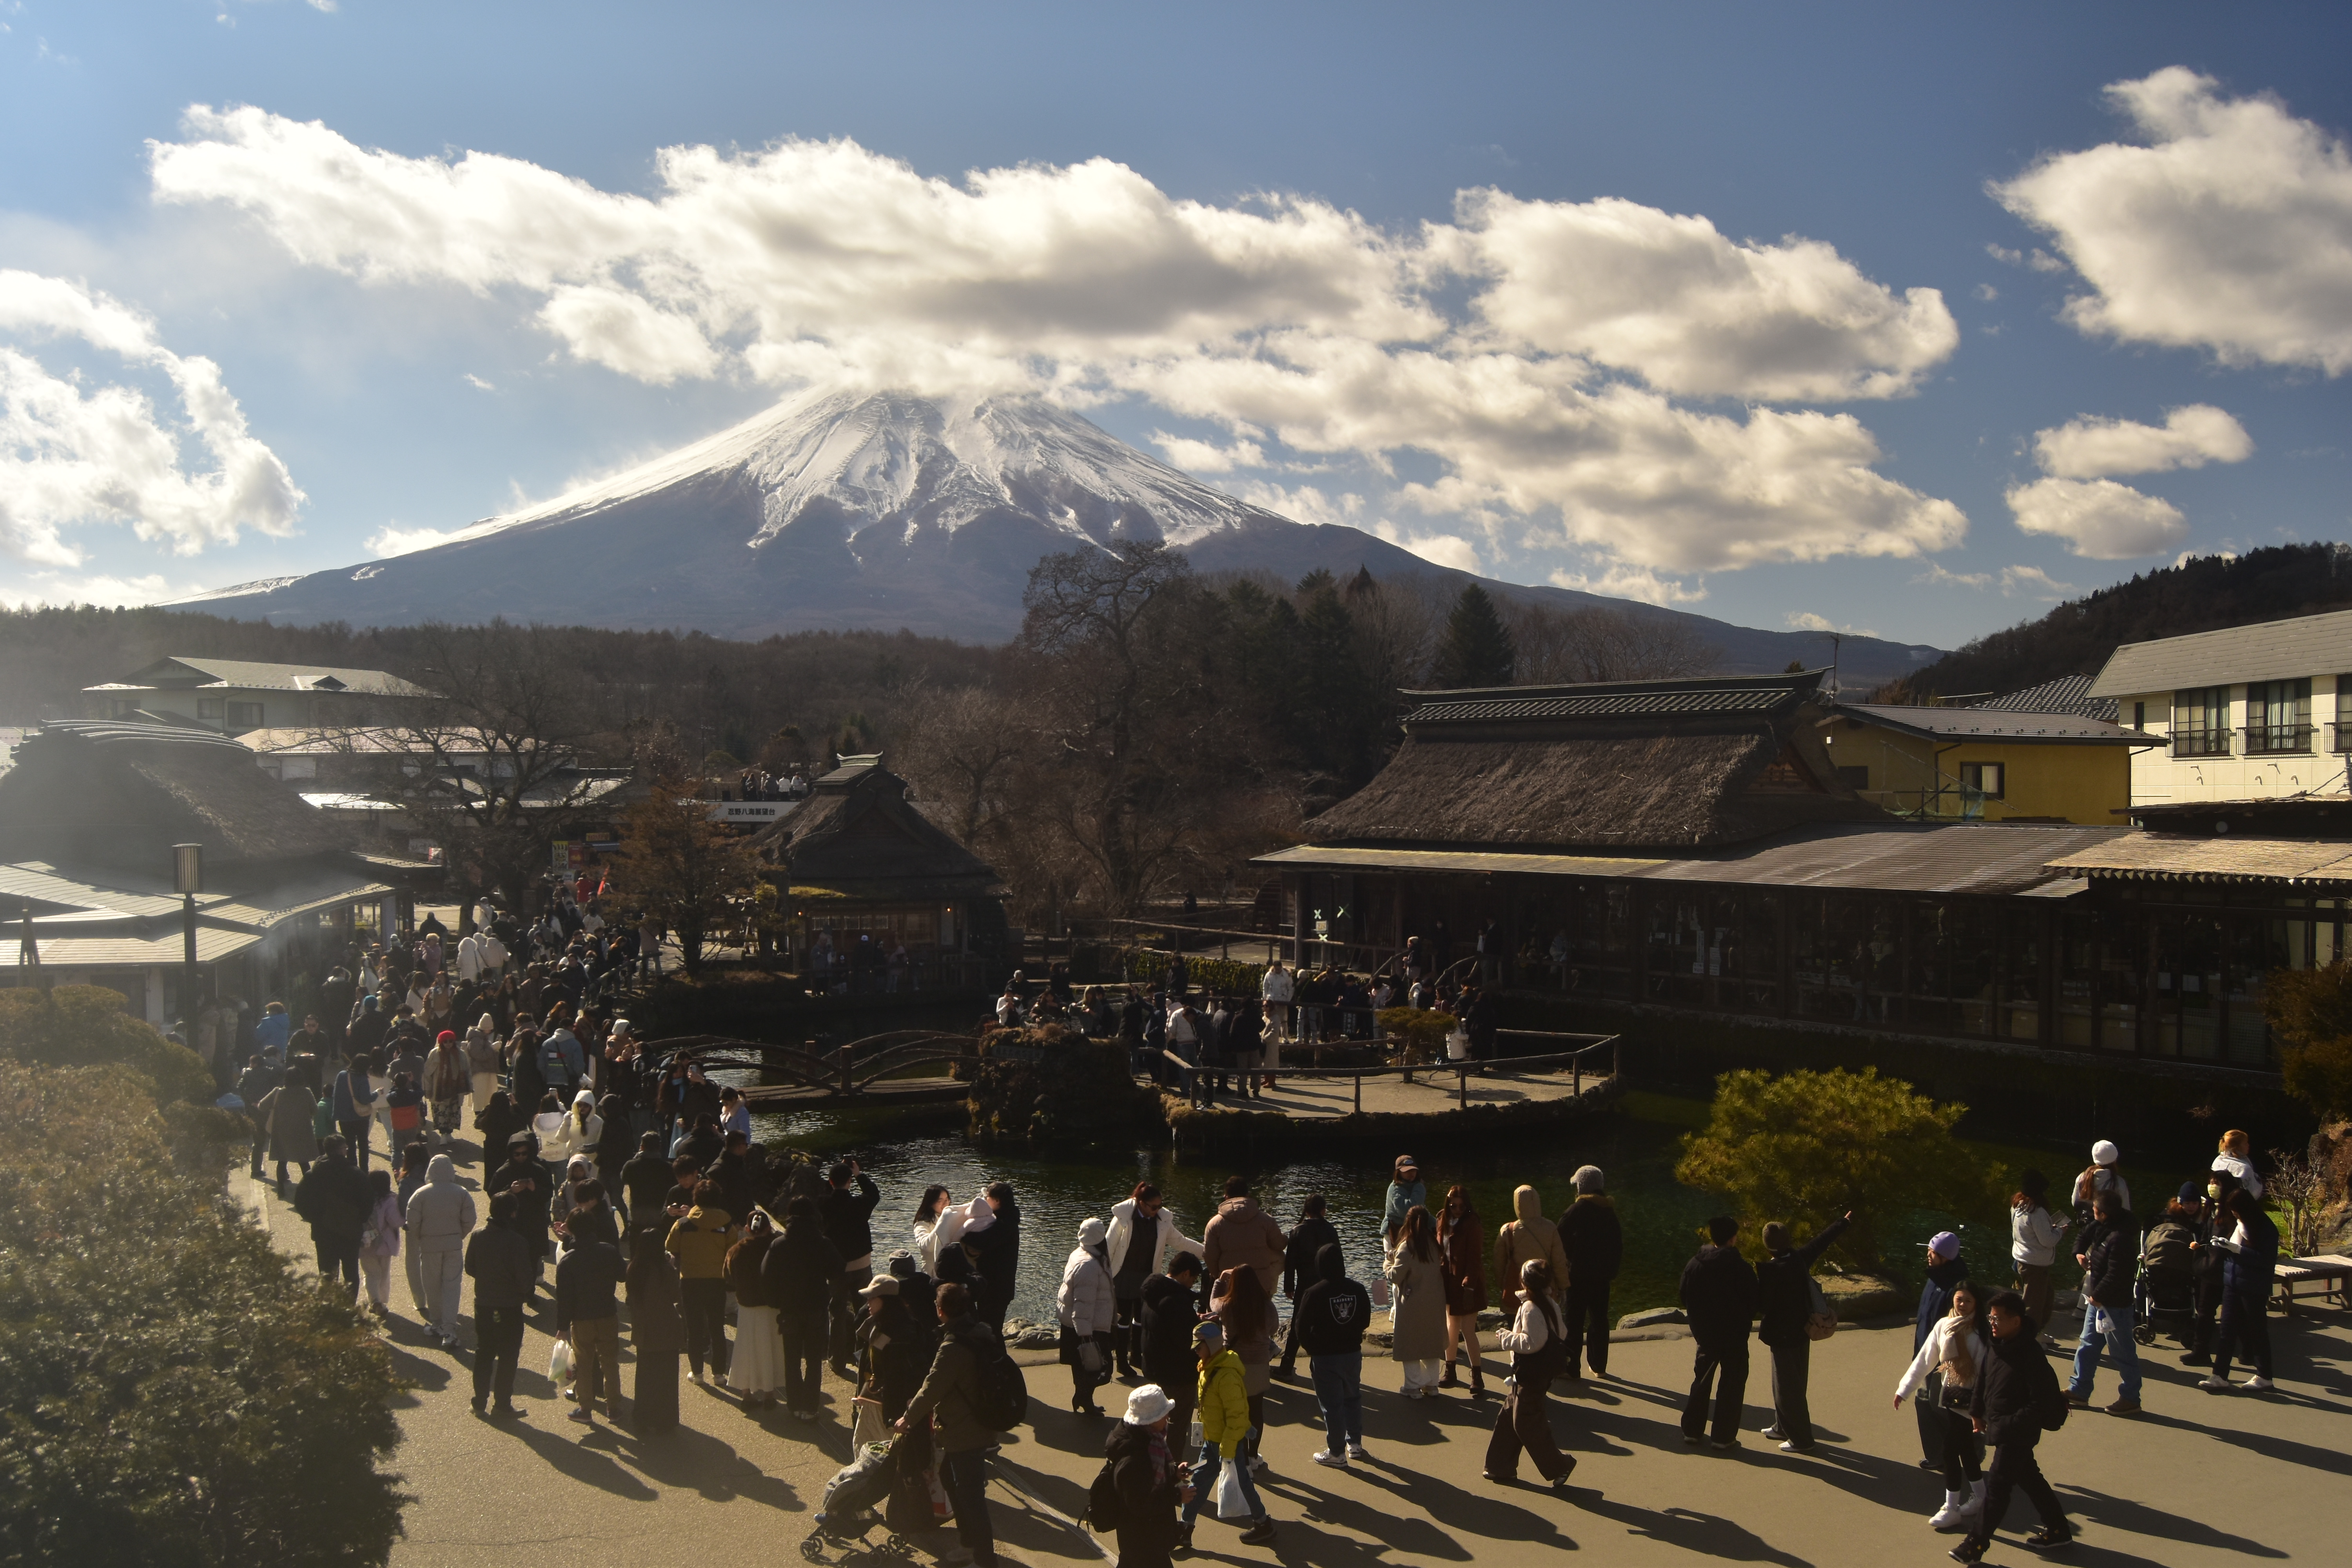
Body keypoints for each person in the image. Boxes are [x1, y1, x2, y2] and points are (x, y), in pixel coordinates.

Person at [1951, 1290, 2073, 1562]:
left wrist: (2007, 1425)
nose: (1992, 1324)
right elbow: (1984, 1376)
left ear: (2016, 1321)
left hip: (2017, 1432)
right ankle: (2059, 1529)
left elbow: (2040, 1404)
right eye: (1990, 1318)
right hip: (2001, 1425)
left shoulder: (2031, 1356)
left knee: (1997, 1487)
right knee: (2029, 1477)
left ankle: (1975, 1545)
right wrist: (1976, 1410)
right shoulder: (1999, 1345)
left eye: (1997, 1319)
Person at [897, 1281, 1005, 1568]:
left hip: (965, 1429)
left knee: (972, 1498)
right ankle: (970, 1544)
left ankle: (983, 1559)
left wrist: (908, 1418)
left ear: (941, 1311)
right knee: (952, 1481)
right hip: (980, 1422)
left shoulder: (953, 1347)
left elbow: (932, 1389)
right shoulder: (978, 1333)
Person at [1755, 1209, 1853, 1453]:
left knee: (1788, 1387)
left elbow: (1762, 1307)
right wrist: (1842, 1223)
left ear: (1767, 1247)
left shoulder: (1771, 1271)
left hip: (1782, 1335)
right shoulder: (1799, 1259)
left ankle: (1802, 1440)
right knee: (1791, 1382)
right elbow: (1822, 1240)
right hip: (1802, 1329)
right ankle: (1782, 1427)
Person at [1897, 1279, 1991, 1531]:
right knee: (1965, 1451)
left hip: (1974, 1403)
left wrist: (1981, 1408)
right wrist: (1904, 1390)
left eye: (1968, 1301)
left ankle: (1951, 1508)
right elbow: (1925, 1359)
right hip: (1953, 1399)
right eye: (1959, 1299)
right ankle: (1981, 1497)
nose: (1962, 1305)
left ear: (1977, 1304)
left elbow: (1989, 1371)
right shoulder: (1945, 1326)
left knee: (1951, 1451)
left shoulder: (1984, 1331)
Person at [1175, 1321, 1277, 1552]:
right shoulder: (1209, 1367)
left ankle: (1263, 1523)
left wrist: (1229, 1450)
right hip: (1214, 1440)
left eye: (1198, 1347)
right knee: (1199, 1482)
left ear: (1211, 1346)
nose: (1195, 1352)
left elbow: (1237, 1415)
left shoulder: (1226, 1375)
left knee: (1241, 1483)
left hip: (1226, 1444)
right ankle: (1186, 1527)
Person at [1485, 1259, 1576, 1489]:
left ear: (1524, 1282)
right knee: (1509, 1417)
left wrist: (1507, 1338)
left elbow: (1532, 1343)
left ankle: (1560, 1465)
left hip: (1531, 1374)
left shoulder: (1531, 1308)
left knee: (1526, 1422)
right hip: (1536, 1373)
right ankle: (1499, 1466)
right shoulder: (1549, 1303)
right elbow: (1562, 1332)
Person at [1109, 1183, 1203, 1380]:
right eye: (1154, 1207)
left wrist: (1207, 1252)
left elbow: (1180, 1241)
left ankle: (1136, 1356)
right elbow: (1109, 1247)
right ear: (1141, 1204)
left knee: (1141, 1319)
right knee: (1123, 1320)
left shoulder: (1162, 1221)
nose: (1157, 1210)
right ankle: (1122, 1362)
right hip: (1123, 1276)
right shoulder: (1123, 1218)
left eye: (1160, 1206)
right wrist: (1103, 1274)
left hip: (1147, 1277)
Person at [1679, 1214, 1757, 1448]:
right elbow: (1754, 1301)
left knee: (1701, 1381)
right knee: (1732, 1385)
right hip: (1734, 1335)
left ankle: (1692, 1430)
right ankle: (1723, 1436)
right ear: (1734, 1239)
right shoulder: (1742, 1268)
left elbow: (1685, 1294)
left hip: (1706, 1333)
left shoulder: (1696, 1264)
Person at [1292, 1241, 1371, 1467]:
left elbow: (1300, 1327)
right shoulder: (1357, 1289)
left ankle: (1336, 1453)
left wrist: (1313, 1349)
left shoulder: (1314, 1292)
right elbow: (1365, 1320)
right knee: (1353, 1397)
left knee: (1332, 1405)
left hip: (1325, 1357)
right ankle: (1355, 1444)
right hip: (1352, 1353)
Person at [766, 1193, 844, 1421]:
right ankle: (811, 1407)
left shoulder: (779, 1245)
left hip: (789, 1309)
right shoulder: (822, 1243)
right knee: (813, 1360)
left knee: (791, 1359)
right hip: (816, 1308)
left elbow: (766, 1275)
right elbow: (838, 1269)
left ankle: (794, 1405)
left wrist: (776, 1301)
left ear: (789, 1216)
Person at [2066, 1191, 2142, 1415]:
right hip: (2098, 1302)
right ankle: (2079, 1390)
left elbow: (2116, 1275)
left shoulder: (2121, 1238)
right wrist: (2078, 1253)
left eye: (2095, 1211)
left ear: (2105, 1213)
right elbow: (2084, 1235)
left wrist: (2097, 1296)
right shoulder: (2102, 1224)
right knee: (2087, 1345)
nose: (2092, 1213)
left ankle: (2131, 1398)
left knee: (2123, 1353)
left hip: (2115, 1306)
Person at [2200, 1185, 2279, 1392]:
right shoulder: (2240, 1224)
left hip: (2253, 1286)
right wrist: (2224, 1247)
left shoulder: (2265, 1227)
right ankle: (2219, 1375)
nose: (2235, 1215)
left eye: (2237, 1211)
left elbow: (2265, 1259)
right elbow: (2234, 1251)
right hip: (2233, 1283)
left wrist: (2237, 1249)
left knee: (2257, 1330)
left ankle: (2265, 1375)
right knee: (2227, 1330)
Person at [554, 1206, 626, 1428]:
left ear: (572, 1230)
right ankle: (614, 1408)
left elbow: (564, 1298)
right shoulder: (608, 1250)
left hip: (582, 1318)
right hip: (607, 1313)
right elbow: (623, 1276)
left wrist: (562, 1326)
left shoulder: (568, 1261)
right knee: (610, 1362)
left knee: (584, 1364)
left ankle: (585, 1408)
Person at [465, 1192, 535, 1418]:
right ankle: (502, 1404)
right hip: (509, 1307)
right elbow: (525, 1279)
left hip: (484, 1304)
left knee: (484, 1352)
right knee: (508, 1355)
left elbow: (471, 1268)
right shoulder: (517, 1242)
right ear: (513, 1214)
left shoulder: (478, 1237)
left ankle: (479, 1402)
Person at [1108, 1383, 1192, 1568]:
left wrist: (1174, 1473)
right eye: (1164, 1414)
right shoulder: (1135, 1458)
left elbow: (1150, 1478)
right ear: (1150, 1420)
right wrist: (1177, 1496)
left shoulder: (1147, 1441)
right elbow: (1140, 1504)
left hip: (1143, 1538)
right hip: (1144, 1540)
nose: (1168, 1417)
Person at [1207, 1264, 1279, 1470]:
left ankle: (1239, 1457)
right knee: (1256, 1411)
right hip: (1258, 1365)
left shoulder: (1228, 1305)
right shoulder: (1267, 1306)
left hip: (1233, 1365)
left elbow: (1212, 1304)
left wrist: (1221, 1279)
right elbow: (1274, 1329)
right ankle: (1253, 1455)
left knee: (1233, 1412)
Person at [404, 1152, 479, 1348]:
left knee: (432, 1285)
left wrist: (423, 1237)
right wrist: (458, 1235)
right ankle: (450, 1329)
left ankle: (437, 1323)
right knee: (452, 1286)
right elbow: (470, 1220)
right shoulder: (462, 1192)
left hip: (429, 1247)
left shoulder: (421, 1194)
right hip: (453, 1246)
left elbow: (412, 1222)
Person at [666, 1178, 736, 1384]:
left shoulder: (683, 1224)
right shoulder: (727, 1224)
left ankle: (697, 1373)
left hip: (690, 1281)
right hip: (717, 1282)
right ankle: (720, 1374)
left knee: (694, 1328)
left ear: (696, 1198)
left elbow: (671, 1246)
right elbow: (732, 1251)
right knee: (717, 1327)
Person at [1913, 1229, 1973, 1470]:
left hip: (1945, 1361)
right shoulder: (1934, 1278)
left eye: (1934, 1252)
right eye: (1929, 1250)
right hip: (1925, 1353)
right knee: (1924, 1403)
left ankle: (1972, 1447)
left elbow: (1961, 1326)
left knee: (1946, 1407)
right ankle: (1938, 1457)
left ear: (1946, 1257)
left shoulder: (1957, 1287)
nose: (1929, 1255)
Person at [1557, 1165, 1623, 1380]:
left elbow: (1560, 1241)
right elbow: (1617, 1246)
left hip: (1577, 1277)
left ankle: (1570, 1367)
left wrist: (1565, 1265)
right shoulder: (1609, 1211)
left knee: (1573, 1322)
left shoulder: (1576, 1211)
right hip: (1602, 1278)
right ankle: (1599, 1366)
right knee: (1600, 1321)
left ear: (1581, 1186)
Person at [822, 1156, 883, 1378]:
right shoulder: (859, 1204)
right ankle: (864, 1357)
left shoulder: (824, 1204)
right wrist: (859, 1174)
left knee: (837, 1313)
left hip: (836, 1266)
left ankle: (837, 1360)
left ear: (830, 1182)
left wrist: (836, 1177)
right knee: (865, 1310)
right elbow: (874, 1194)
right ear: (849, 1181)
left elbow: (824, 1191)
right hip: (862, 1264)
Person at [1142, 1253, 1204, 1455]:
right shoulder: (1177, 1301)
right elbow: (1186, 1341)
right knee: (1177, 1424)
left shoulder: (1154, 1292)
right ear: (1186, 1274)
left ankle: (1151, 1458)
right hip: (1178, 1374)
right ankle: (1172, 1467)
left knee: (1154, 1420)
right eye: (1193, 1279)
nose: (1192, 1284)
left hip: (1154, 1367)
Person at [294, 1134, 370, 1300]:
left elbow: (300, 1202)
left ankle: (330, 1308)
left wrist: (315, 1218)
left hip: (323, 1232)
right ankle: (350, 1309)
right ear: (342, 1150)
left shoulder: (312, 1175)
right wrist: (359, 1220)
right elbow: (368, 1202)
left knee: (327, 1274)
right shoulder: (356, 1175)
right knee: (351, 1274)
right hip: (350, 1232)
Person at [1384, 1204, 1448, 1399]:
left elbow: (1396, 1276)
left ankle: (1412, 1387)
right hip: (1435, 1300)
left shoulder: (1407, 1245)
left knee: (1410, 1345)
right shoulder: (1433, 1243)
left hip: (1412, 1303)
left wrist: (1387, 1263)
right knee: (1431, 1343)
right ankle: (1432, 1385)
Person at [1276, 1194, 1340, 1380]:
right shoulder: (1330, 1229)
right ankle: (1320, 1366)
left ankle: (1287, 1366)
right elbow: (1338, 1258)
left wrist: (1289, 1286)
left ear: (1306, 1211)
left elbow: (1291, 1262)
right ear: (1323, 1210)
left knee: (1298, 1325)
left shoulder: (1297, 1231)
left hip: (1305, 1285)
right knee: (1325, 1326)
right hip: (1327, 1284)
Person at [1059, 1216, 1118, 1416]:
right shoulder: (1090, 1265)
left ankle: (1084, 1399)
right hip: (1088, 1328)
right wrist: (1086, 1336)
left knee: (1083, 1367)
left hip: (1082, 1326)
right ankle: (1084, 1399)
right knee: (1097, 1367)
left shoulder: (1081, 1254)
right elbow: (1082, 1305)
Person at [727, 1210, 786, 1408]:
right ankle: (769, 1394)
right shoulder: (775, 1249)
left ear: (747, 1229)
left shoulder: (736, 1251)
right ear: (769, 1228)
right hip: (771, 1306)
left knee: (746, 1348)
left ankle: (747, 1394)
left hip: (747, 1306)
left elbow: (728, 1280)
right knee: (770, 1348)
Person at [1437, 1184, 1488, 1396]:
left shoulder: (1472, 1224)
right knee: (1451, 1328)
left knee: (1468, 1330)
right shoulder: (1442, 1219)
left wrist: (1469, 1281)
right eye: (1453, 1205)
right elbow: (1439, 1248)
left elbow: (1476, 1258)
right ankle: (1451, 1371)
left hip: (1467, 1283)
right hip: (1448, 1281)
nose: (1457, 1209)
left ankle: (1477, 1376)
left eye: (1461, 1206)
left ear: (1466, 1205)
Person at [2009, 1170, 2069, 1349]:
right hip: (2035, 1263)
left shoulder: (2017, 1205)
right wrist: (2060, 1231)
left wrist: (2048, 1228)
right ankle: (2028, 1339)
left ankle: (2037, 1332)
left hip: (2025, 1259)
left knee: (2046, 1298)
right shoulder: (2038, 1212)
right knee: (2033, 1305)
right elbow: (2048, 1241)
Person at [1200, 1175, 1285, 1299]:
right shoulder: (1266, 1220)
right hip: (1260, 1284)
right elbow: (1279, 1245)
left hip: (1230, 1284)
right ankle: (1268, 1287)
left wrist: (1218, 1275)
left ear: (1226, 1197)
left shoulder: (1214, 1224)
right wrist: (1286, 1237)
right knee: (1281, 1256)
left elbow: (1209, 1256)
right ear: (1248, 1195)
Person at [1494, 1183, 1570, 1318]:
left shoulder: (1508, 1230)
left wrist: (1502, 1285)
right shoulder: (1550, 1227)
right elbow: (1559, 1262)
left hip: (1517, 1292)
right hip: (1545, 1291)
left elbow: (1499, 1263)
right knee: (1546, 1329)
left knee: (1517, 1330)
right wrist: (1563, 1287)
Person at [967, 1181, 1022, 1333]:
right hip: (995, 1287)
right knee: (989, 1328)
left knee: (991, 1331)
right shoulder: (1004, 1219)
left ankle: (998, 1357)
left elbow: (981, 1241)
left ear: (997, 1201)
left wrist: (962, 1233)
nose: (985, 1200)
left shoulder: (1006, 1224)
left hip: (997, 1290)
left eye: (987, 1197)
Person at [256, 1071, 319, 1194]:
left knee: (282, 1160)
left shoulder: (278, 1092)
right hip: (302, 1131)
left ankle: (281, 1188)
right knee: (304, 1161)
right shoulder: (306, 1092)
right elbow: (315, 1110)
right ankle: (310, 1188)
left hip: (282, 1131)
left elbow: (262, 1106)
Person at [357, 1168, 404, 1316]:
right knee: (384, 1274)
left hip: (365, 1242)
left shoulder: (362, 1199)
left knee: (371, 1273)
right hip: (385, 1244)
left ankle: (375, 1301)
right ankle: (382, 1302)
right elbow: (396, 1221)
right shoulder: (389, 1201)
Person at [331, 1055, 383, 1172]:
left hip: (345, 1118)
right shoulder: (362, 1079)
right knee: (363, 1145)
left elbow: (336, 1096)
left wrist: (336, 1115)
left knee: (350, 1145)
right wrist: (377, 1093)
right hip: (360, 1117)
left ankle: (352, 1169)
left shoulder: (342, 1075)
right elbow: (365, 1099)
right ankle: (364, 1170)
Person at [2071, 1139, 2131, 1227]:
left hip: (2087, 1229)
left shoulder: (2082, 1177)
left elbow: (2075, 1203)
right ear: (2114, 1159)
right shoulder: (2119, 1182)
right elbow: (2126, 1211)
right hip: (2109, 1230)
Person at [1381, 1155, 1425, 1259]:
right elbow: (1408, 1211)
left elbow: (1423, 1210)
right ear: (1399, 1173)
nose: (1411, 1174)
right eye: (1407, 1171)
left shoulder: (1415, 1186)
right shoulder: (1395, 1189)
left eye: (1413, 1170)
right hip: (1395, 1233)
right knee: (1396, 1266)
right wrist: (1420, 1188)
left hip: (1412, 1233)